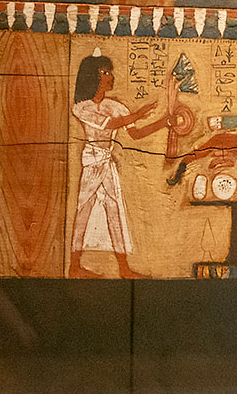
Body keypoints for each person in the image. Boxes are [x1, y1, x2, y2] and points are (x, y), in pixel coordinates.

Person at [70, 48, 171, 278]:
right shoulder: (82, 107)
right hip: (92, 162)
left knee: (116, 211)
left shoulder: (115, 106)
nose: (111, 76)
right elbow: (109, 125)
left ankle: (124, 268)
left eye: (110, 72)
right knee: (83, 211)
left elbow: (135, 134)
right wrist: (138, 114)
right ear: (93, 76)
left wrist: (164, 122)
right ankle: (74, 267)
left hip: (107, 163)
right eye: (105, 72)